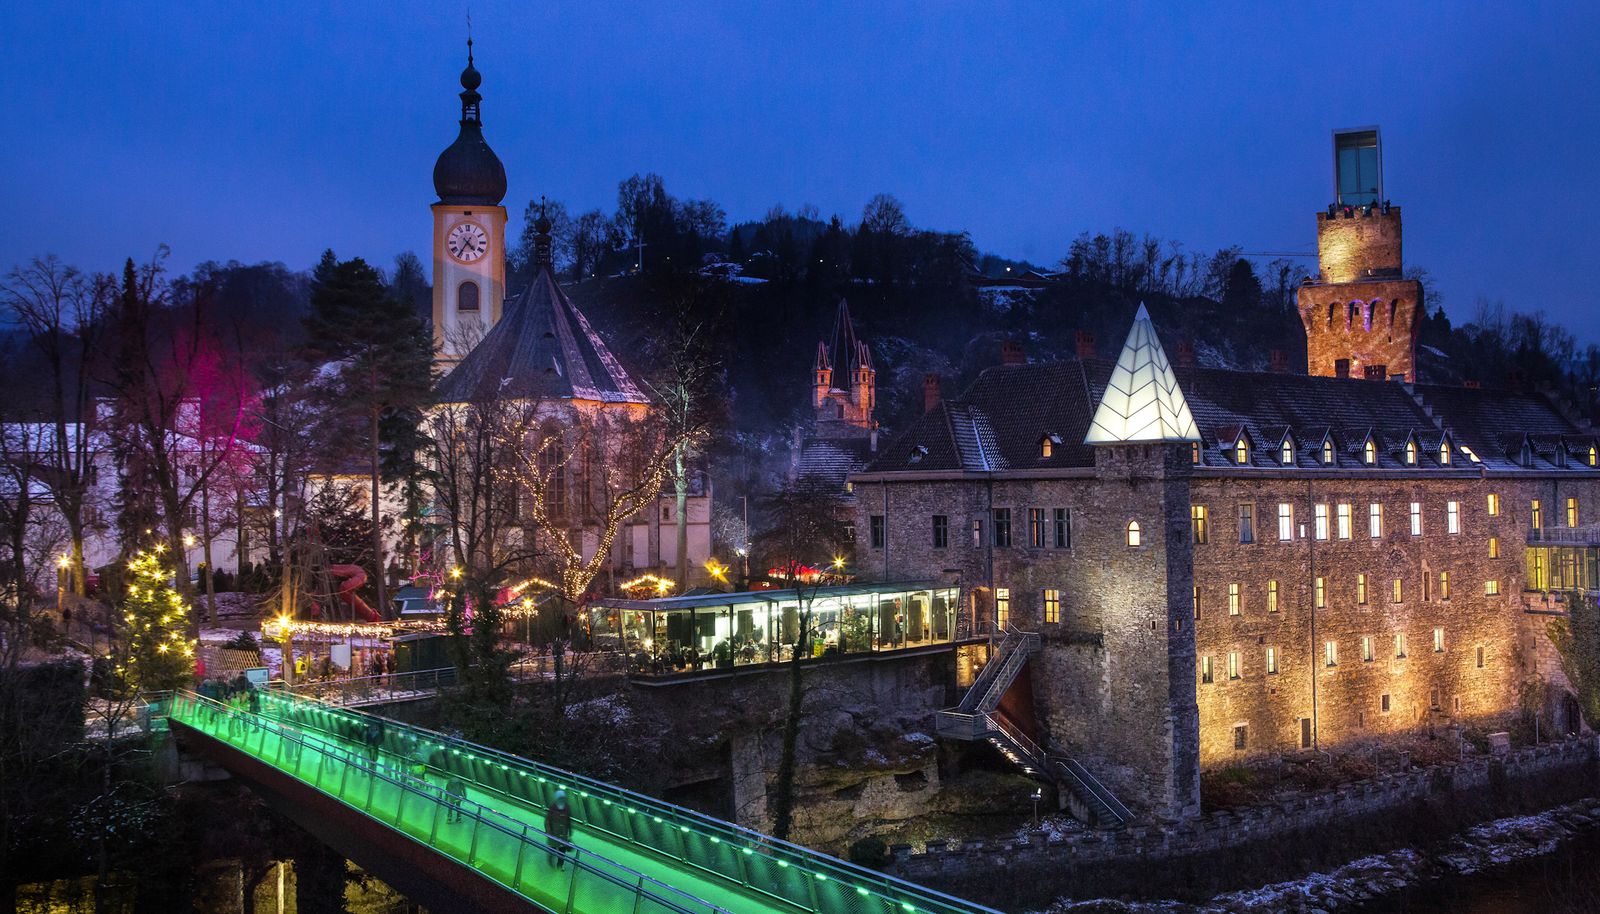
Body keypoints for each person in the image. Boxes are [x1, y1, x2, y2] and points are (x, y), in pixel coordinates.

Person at [545, 789, 573, 869]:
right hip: (553, 833)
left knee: (562, 851)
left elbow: (569, 820)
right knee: (552, 849)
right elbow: (547, 820)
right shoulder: (553, 807)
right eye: (560, 798)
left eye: (563, 798)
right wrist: (549, 832)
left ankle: (559, 866)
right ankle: (550, 862)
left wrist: (570, 832)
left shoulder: (567, 807)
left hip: (563, 833)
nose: (562, 800)